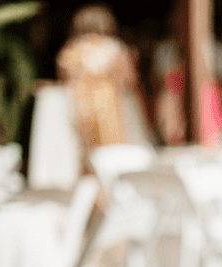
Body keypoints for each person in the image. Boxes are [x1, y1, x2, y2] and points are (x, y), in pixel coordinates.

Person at [57, 4, 152, 157]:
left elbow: (65, 77)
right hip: (110, 103)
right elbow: (129, 78)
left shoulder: (72, 50)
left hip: (80, 104)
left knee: (84, 149)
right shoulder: (114, 48)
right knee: (115, 147)